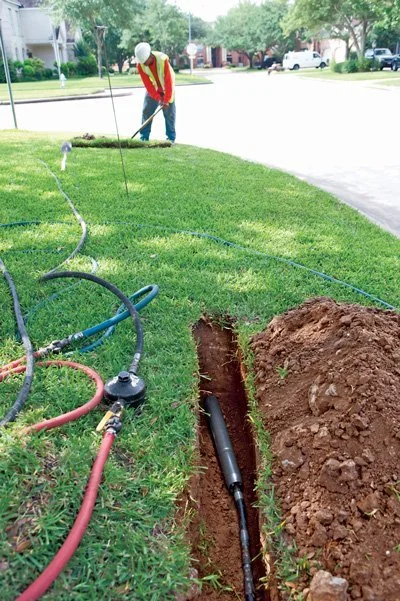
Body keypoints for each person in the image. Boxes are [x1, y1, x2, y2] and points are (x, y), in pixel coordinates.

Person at [134, 42, 176, 143]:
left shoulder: (163, 60)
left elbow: (169, 82)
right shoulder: (140, 65)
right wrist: (158, 98)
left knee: (169, 114)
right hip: (154, 88)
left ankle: (170, 139)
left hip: (167, 88)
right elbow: (148, 84)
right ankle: (144, 137)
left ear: (150, 56)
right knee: (146, 111)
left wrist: (165, 100)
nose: (143, 63)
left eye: (145, 61)